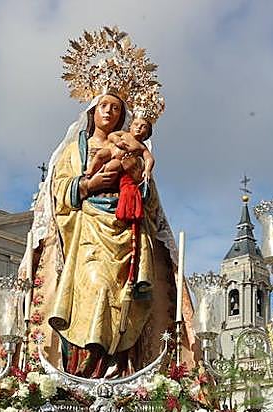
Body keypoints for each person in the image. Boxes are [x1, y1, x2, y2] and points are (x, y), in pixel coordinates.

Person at [21, 92, 196, 378]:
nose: (109, 112)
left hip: (127, 230)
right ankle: (82, 374)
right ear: (93, 111)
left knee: (125, 300)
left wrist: (139, 181)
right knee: (96, 288)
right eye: (104, 106)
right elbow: (58, 194)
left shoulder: (133, 150)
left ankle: (118, 370)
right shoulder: (75, 152)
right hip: (88, 231)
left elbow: (151, 202)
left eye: (116, 108)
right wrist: (89, 185)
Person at [84, 115, 155, 189]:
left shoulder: (141, 147)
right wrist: (116, 139)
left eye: (144, 127)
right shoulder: (124, 134)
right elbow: (111, 135)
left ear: (147, 134)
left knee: (111, 166)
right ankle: (90, 171)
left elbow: (149, 159)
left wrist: (147, 170)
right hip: (110, 152)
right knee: (100, 154)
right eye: (136, 124)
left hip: (119, 161)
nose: (139, 127)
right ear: (130, 127)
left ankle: (104, 183)